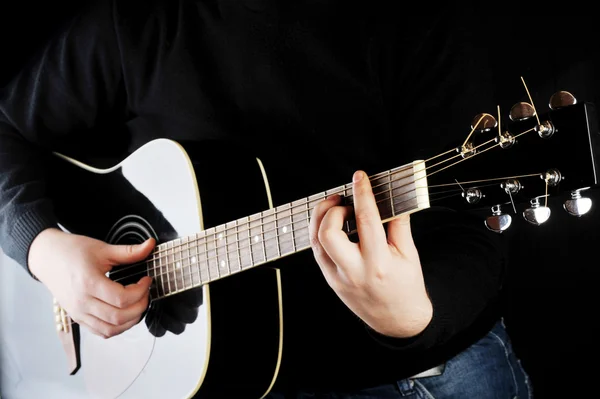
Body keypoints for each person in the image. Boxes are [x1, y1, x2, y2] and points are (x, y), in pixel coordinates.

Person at [0, 1, 532, 397]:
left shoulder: (418, 25)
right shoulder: (137, 19)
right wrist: (45, 250)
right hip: (213, 379)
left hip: (417, 375)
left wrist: (411, 317)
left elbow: (471, 233)